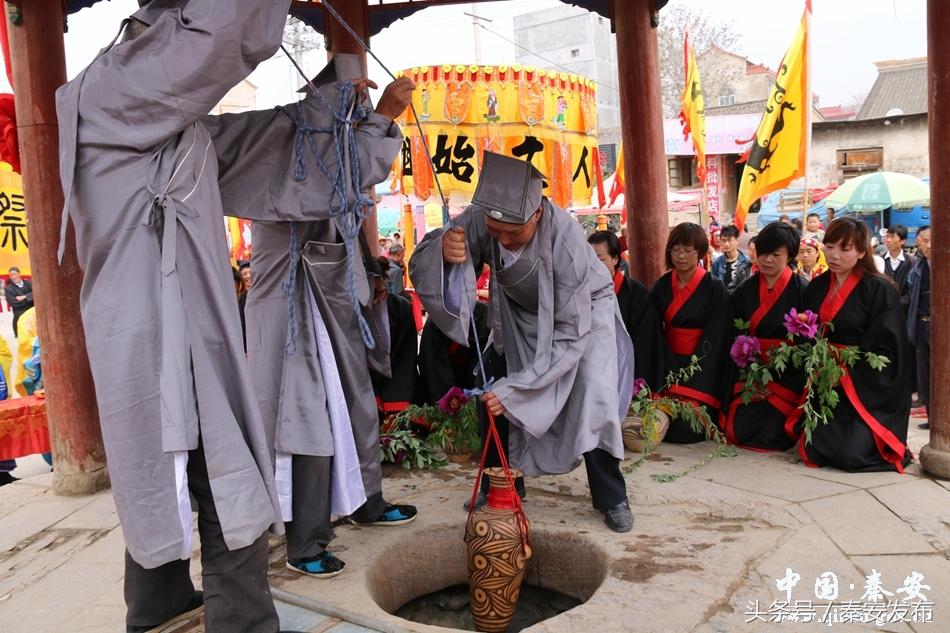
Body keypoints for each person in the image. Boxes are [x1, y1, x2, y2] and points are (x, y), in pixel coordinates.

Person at [55, 3, 362, 630]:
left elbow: (269, 148)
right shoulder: (110, 87)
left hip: (191, 328)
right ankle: (233, 621)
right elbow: (215, 40)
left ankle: (162, 608)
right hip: (150, 328)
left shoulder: (166, 124)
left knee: (187, 476)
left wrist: (365, 119)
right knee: (216, 478)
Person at [242, 53, 417, 581]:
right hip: (291, 313)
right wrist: (386, 118)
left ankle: (365, 501)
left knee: (357, 405)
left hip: (332, 304)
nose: (358, 116)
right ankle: (305, 540)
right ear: (324, 107)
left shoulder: (328, 150)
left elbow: (346, 210)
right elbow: (344, 176)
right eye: (353, 104)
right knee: (306, 426)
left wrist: (371, 271)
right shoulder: (289, 154)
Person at [410, 151, 635, 532]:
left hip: (582, 317)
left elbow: (569, 334)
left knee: (592, 393)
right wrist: (447, 253)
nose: (503, 238)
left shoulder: (566, 242)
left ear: (538, 213)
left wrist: (524, 386)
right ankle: (500, 485)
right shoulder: (486, 217)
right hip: (515, 316)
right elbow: (433, 254)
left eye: (514, 232)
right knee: (492, 391)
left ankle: (611, 495)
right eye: (495, 232)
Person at [789, 218, 912, 472]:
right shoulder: (817, 286)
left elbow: (887, 347)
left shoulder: (879, 289)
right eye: (830, 246)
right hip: (825, 379)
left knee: (852, 456)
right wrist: (817, 363)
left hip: (862, 386)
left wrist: (845, 372)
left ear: (860, 251)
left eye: (845, 249)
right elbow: (806, 333)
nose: (834, 255)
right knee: (815, 449)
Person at [722, 222, 807, 451]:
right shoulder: (744, 291)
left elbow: (807, 345)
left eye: (776, 254)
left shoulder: (803, 291)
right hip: (751, 372)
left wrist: (778, 379)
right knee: (739, 429)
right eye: (763, 253)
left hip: (788, 376)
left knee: (774, 432)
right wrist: (751, 373)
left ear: (790, 255)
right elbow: (735, 334)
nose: (767, 260)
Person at [650, 223, 731, 443]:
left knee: (686, 427)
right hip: (668, 363)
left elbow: (717, 336)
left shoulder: (714, 288)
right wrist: (664, 365)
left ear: (700, 252)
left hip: (702, 365)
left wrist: (696, 370)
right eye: (675, 250)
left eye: (687, 250)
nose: (681, 256)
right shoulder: (662, 286)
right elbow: (653, 330)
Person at [588, 230, 668, 391]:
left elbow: (645, 345)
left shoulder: (636, 294)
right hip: (594, 372)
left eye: (600, 259)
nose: (593, 265)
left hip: (628, 371)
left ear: (615, 259)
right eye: (588, 259)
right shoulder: (582, 293)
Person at [905, 225, 932, 430]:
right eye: (925, 240)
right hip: (921, 324)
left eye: (933, 240)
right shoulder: (917, 266)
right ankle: (933, 418)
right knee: (925, 373)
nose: (929, 245)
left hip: (940, 325)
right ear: (918, 242)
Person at [710, 225, 751, 293]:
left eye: (729, 240)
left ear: (737, 241)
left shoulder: (747, 261)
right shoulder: (717, 263)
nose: (726, 244)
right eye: (723, 240)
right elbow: (713, 285)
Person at [4, 267, 33, 337]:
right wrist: (30, 298)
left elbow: (37, 293)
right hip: (20, 314)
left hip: (33, 313)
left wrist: (25, 297)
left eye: (14, 274)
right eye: (11, 275)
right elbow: (14, 303)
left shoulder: (29, 283)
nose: (13, 277)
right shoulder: (8, 289)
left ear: (19, 274)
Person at [882, 224, 912, 292]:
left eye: (892, 237)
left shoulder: (911, 262)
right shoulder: (880, 261)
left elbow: (912, 290)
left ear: (903, 241)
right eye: (887, 236)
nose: (888, 240)